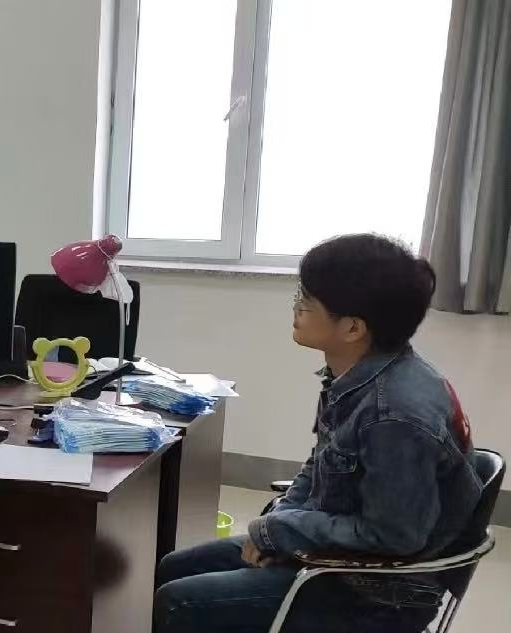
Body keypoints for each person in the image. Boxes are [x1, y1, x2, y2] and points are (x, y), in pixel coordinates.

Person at [154, 234, 482, 633]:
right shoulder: (358, 375)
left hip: (378, 593)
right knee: (174, 566)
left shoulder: (394, 416)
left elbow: (393, 536)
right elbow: (321, 465)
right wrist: (279, 526)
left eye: (307, 301)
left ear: (353, 328)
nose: (296, 308)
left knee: (178, 602)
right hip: (333, 554)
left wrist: (280, 531)